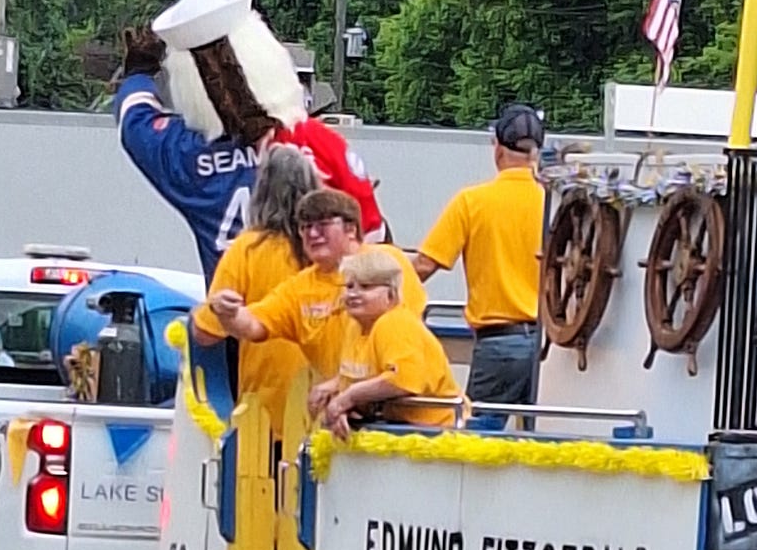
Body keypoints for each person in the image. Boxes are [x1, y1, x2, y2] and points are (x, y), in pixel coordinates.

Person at [114, 0, 388, 283]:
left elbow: (134, 121)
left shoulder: (184, 152)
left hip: (231, 313)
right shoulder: (313, 139)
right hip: (313, 316)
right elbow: (375, 236)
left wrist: (138, 73)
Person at [413, 104, 545, 431]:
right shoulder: (554, 201)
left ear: (497, 149)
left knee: (475, 446)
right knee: (540, 445)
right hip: (549, 348)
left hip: (498, 343)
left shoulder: (472, 202)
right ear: (536, 153)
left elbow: (425, 266)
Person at [208, 189, 425, 382]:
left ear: (350, 229)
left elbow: (403, 331)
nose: (312, 234)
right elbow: (254, 325)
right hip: (340, 405)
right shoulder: (300, 288)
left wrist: (349, 391)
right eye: (305, 227)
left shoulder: (386, 261)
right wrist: (227, 313)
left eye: (323, 225)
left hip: (399, 398)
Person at [190, 145, 320, 438]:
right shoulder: (327, 251)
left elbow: (205, 333)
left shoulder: (247, 249)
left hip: (264, 417)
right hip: (327, 413)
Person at [308, 249, 464, 438]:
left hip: (436, 433)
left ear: (391, 294)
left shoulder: (395, 322)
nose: (354, 294)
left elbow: (404, 380)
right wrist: (337, 393)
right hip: (398, 430)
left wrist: (347, 398)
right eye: (349, 286)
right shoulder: (355, 326)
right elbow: (363, 375)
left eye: (366, 287)